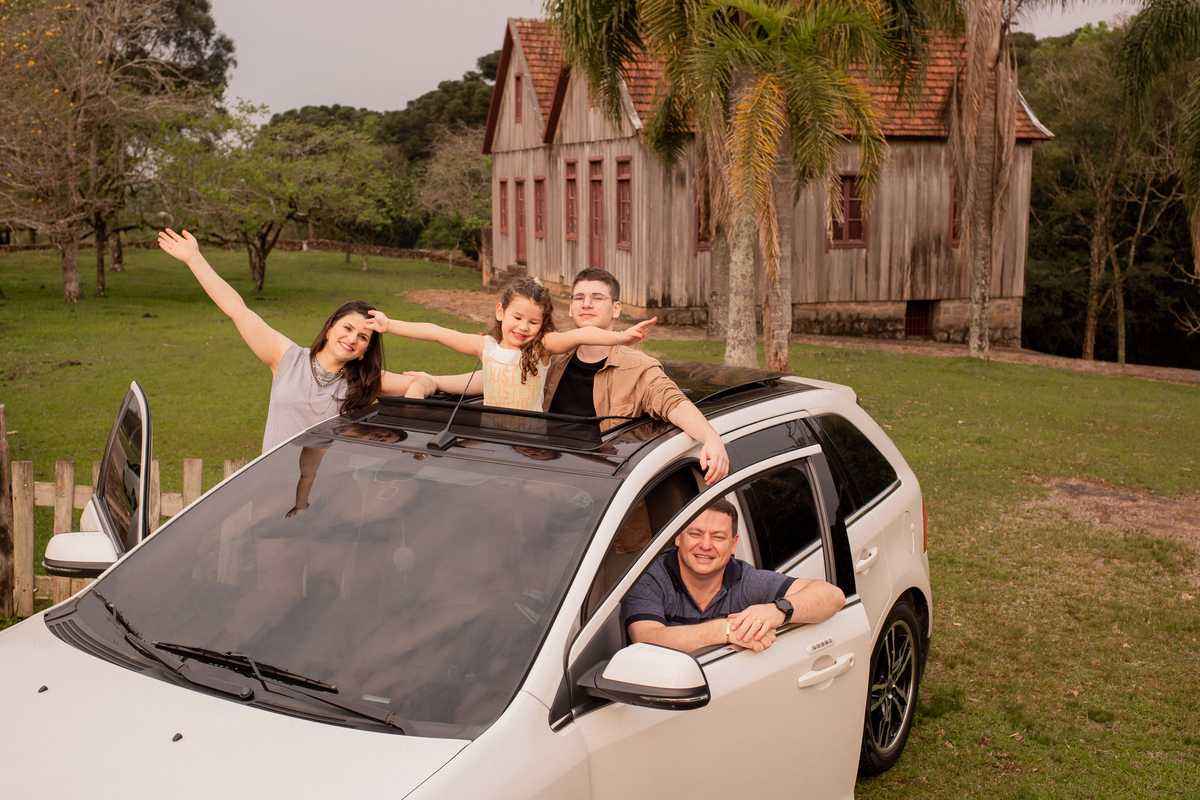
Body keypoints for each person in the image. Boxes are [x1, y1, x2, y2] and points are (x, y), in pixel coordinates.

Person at [417, 268, 730, 486]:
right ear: (570, 308)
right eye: (579, 297)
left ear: (617, 308)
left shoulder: (637, 368)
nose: (587, 303)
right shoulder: (549, 356)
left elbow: (673, 402)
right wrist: (434, 381)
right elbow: (500, 377)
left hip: (603, 494)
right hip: (540, 477)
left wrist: (710, 437)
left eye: (598, 297)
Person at [157, 229, 432, 452]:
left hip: (325, 490)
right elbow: (238, 309)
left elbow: (424, 381)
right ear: (329, 329)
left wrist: (412, 406)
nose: (351, 339)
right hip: (270, 483)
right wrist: (194, 258)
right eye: (347, 328)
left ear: (365, 351)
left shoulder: (366, 379)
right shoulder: (287, 358)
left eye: (362, 337)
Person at [366, 277, 657, 411]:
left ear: (543, 324)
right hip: (493, 436)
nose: (523, 327)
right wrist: (389, 325)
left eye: (533, 322)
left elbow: (582, 335)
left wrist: (620, 337)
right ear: (500, 312)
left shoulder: (542, 348)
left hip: (531, 441)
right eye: (517, 317)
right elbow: (436, 331)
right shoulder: (486, 347)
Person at [623, 499, 845, 653]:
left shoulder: (746, 581)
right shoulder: (648, 577)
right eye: (695, 533)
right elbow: (646, 638)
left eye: (718, 537)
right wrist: (726, 630)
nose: (706, 545)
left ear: (733, 544)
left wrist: (777, 611)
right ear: (678, 537)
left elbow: (832, 596)